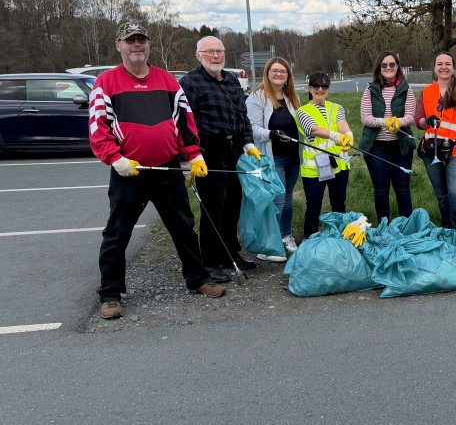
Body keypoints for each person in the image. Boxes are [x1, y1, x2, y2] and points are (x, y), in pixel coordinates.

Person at [89, 22, 225, 320]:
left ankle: (198, 279)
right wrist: (114, 158)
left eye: (141, 40)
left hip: (168, 169)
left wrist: (194, 155)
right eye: (130, 41)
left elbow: (185, 121)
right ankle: (110, 294)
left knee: (184, 228)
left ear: (148, 45)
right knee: (116, 234)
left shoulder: (167, 80)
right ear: (119, 46)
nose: (137, 45)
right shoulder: (106, 82)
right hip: (129, 173)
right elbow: (98, 127)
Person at [180, 37, 261, 279]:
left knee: (233, 203)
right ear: (199, 55)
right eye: (210, 52)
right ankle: (210, 261)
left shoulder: (232, 80)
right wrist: (190, 157)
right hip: (208, 151)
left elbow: (243, 116)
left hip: (233, 149)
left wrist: (248, 144)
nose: (216, 56)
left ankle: (230, 253)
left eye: (219, 51)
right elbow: (184, 122)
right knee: (213, 206)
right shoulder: (190, 83)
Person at [246, 57, 301, 258]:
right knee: (277, 200)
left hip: (292, 157)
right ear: (267, 73)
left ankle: (285, 235)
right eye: (274, 70)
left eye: (282, 71)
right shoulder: (257, 97)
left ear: (288, 76)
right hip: (272, 156)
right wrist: (271, 133)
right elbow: (252, 128)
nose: (278, 74)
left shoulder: (291, 98)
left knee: (287, 198)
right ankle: (270, 243)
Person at [415, 52, 456, 229]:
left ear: (453, 67)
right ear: (434, 68)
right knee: (441, 195)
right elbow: (419, 122)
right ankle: (446, 230)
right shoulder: (426, 91)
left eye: (448, 64)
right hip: (431, 150)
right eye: (440, 64)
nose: (444, 67)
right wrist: (427, 120)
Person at [359, 51, 417, 223]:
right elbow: (365, 118)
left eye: (392, 64)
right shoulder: (370, 89)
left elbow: (410, 117)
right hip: (376, 147)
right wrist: (384, 122)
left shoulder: (406, 89)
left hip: (401, 146)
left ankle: (407, 226)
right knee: (381, 189)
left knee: (403, 188)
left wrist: (398, 122)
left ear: (397, 67)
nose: (388, 68)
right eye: (384, 65)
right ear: (379, 68)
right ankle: (384, 226)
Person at [296, 72, 353, 238]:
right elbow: (313, 129)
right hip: (314, 168)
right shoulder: (302, 111)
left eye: (324, 86)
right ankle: (310, 241)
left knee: (339, 205)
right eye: (316, 86)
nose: (320, 89)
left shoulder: (337, 108)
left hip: (338, 166)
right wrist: (334, 136)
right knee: (313, 207)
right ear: (309, 88)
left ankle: (340, 239)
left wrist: (348, 133)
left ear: (329, 88)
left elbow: (341, 123)